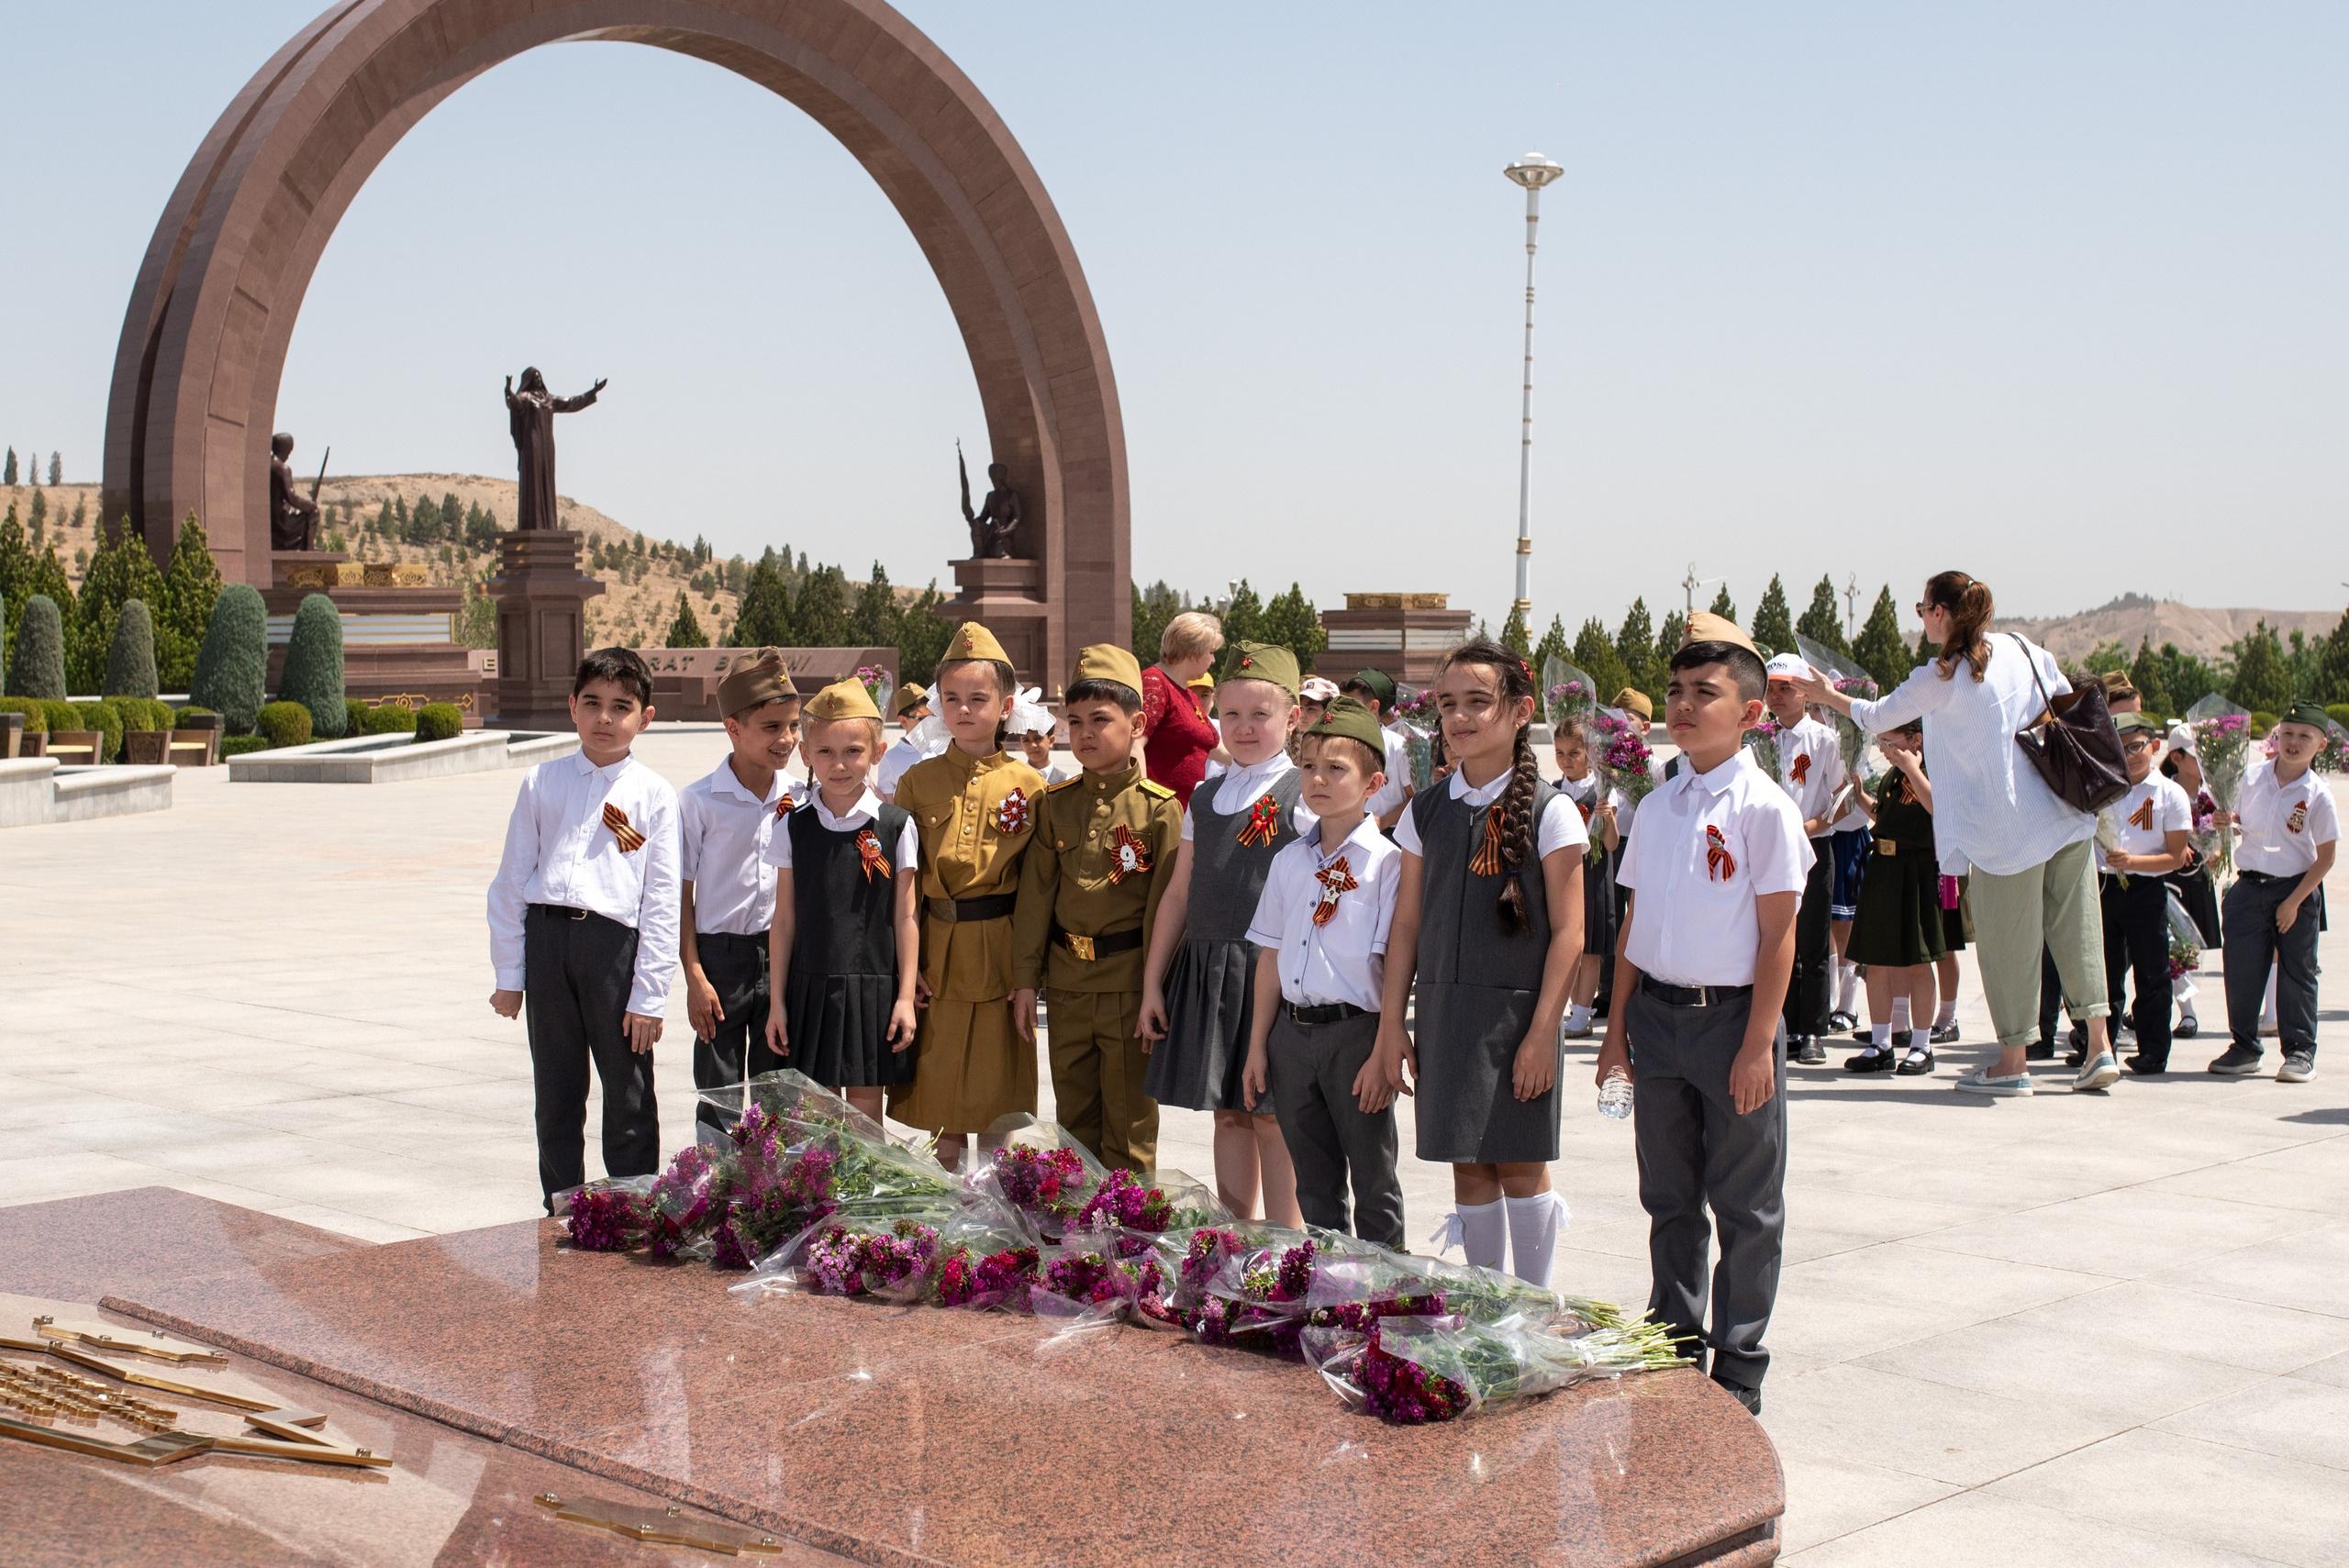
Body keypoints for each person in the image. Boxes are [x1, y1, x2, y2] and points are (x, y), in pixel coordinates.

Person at [1794, 573, 2116, 1097]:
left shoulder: (1940, 675)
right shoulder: (2022, 648)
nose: (1921, 618)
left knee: (2009, 947)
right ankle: (2099, 1048)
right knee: (2078, 934)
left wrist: (1827, 694)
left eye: (1923, 608)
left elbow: (1879, 717)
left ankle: (2013, 1062)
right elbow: (2063, 700)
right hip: (2064, 812)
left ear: (1941, 614)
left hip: (2004, 831)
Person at [1598, 615, 1809, 1415]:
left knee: (1747, 1205)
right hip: (1657, 1019)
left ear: (1752, 712)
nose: (1683, 707)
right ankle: (1675, 1337)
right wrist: (1616, 1028)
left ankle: (1741, 1362)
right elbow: (1634, 925)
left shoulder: (1763, 808)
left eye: (1705, 694)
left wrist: (1759, 1043)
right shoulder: (1659, 806)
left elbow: (1780, 932)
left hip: (1731, 1024)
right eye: (1678, 692)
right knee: (1669, 1196)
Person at [1378, 640, 1586, 1287]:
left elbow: (1571, 934)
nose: (1460, 718)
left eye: (1478, 702)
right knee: (1467, 1162)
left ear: (1521, 711)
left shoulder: (1552, 811)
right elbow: (1406, 923)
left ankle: (1537, 1304)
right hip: (1446, 1011)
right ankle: (1488, 1308)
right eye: (1448, 705)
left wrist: (1541, 1036)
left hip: (1519, 1014)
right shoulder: (1425, 812)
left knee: (1520, 1162)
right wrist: (1393, 1023)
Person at [486, 648, 678, 1210]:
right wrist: (509, 972)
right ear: (572, 707)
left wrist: (649, 996)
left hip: (612, 948)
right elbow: (510, 881)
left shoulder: (653, 795)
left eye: (621, 707)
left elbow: (662, 901)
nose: (604, 719)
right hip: (548, 944)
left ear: (644, 718)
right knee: (557, 1088)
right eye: (591, 703)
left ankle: (634, 1205)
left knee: (628, 1087)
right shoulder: (541, 781)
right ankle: (562, 1206)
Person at [1140, 643, 1309, 1224]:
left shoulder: (1303, 798)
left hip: (1269, 974)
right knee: (1228, 1112)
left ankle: (1289, 1246)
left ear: (1293, 719)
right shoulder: (1207, 795)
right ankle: (1239, 1238)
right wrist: (1153, 983)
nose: (1243, 728)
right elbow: (1180, 893)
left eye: (1260, 715)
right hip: (1210, 968)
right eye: (1230, 714)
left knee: (1270, 1114)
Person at [1014, 644, 1186, 1172]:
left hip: (1129, 986)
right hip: (1067, 986)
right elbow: (1036, 899)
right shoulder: (1055, 804)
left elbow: (1166, 910)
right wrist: (1027, 979)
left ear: (1136, 725)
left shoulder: (1159, 810)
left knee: (1130, 1129)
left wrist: (1156, 989)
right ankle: (1080, 1247)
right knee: (1074, 1126)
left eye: (1101, 720)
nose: (1085, 733)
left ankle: (1132, 1244)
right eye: (1075, 721)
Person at [1241, 696, 1406, 1246]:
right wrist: (1259, 1046)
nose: (1318, 779)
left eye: (1336, 769)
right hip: (1293, 1035)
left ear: (1372, 782)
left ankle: (1388, 1296)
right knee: (1314, 1183)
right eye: (1309, 766)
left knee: (1374, 1178)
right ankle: (1328, 1292)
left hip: (1357, 1034)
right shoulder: (1290, 860)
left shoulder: (1387, 864)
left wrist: (1386, 1046)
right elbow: (1270, 956)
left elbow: (1393, 964)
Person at [887, 625, 1047, 1171]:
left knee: (997, 1090)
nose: (964, 709)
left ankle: (996, 1211)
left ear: (1005, 706)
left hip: (1002, 948)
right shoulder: (918, 781)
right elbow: (902, 886)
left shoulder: (1031, 785)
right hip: (937, 948)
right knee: (942, 1089)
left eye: (979, 699)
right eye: (951, 698)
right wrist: (907, 971)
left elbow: (1037, 886)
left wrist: (1029, 973)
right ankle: (945, 1206)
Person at [675, 658, 801, 1144]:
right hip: (719, 959)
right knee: (719, 1090)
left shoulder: (801, 795)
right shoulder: (700, 801)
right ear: (733, 728)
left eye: (793, 726)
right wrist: (694, 975)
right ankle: (719, 1195)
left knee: (779, 1088)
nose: (787, 738)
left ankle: (774, 1196)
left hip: (780, 954)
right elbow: (680, 896)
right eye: (771, 727)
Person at [2208, 702, 2337, 1083]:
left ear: (2320, 746)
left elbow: (2326, 857)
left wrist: (2294, 902)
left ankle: (2299, 1051)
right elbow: (2238, 823)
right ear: (2276, 735)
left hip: (2295, 889)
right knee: (2242, 970)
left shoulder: (2317, 795)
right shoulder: (2249, 778)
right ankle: (2244, 1046)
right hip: (2249, 886)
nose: (2293, 743)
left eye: (2304, 737)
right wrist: (2225, 821)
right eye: (2288, 733)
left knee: (2297, 972)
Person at [1840, 721, 1946, 1074]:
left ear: (1916, 739)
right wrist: (1859, 795)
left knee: (1917, 960)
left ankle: (1921, 1045)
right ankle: (1881, 1043)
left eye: (1890, 742)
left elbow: (1936, 809)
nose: (1884, 749)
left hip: (1913, 870)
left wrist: (1912, 766)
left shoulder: (1929, 771)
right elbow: (1883, 817)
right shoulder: (1893, 776)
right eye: (1881, 742)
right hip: (1883, 867)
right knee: (1878, 960)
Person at [1762, 653, 1847, 1065]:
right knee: (1778, 940)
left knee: (1813, 942)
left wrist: (1811, 826)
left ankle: (1813, 1030)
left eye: (1785, 688)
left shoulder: (1825, 739)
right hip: (1772, 851)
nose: (1777, 697)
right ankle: (1782, 1024)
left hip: (1814, 847)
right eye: (1771, 689)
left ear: (1804, 691)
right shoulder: (1761, 739)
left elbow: (1843, 798)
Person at [2099, 713, 2193, 1074]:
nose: (2130, 755)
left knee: (2152, 973)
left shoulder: (2170, 794)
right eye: (2121, 749)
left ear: (2154, 747)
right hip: (2105, 886)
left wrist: (2132, 860)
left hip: (2145, 888)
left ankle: (2153, 1050)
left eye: (2136, 746)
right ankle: (2099, 1045)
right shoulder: (2106, 787)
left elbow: (2174, 856)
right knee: (2105, 972)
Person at [1553, 715, 1624, 1040]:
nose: (1566, 760)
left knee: (1590, 947)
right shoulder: (1553, 791)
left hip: (1593, 875)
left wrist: (1608, 819)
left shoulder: (1602, 792)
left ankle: (1583, 1012)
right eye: (1560, 753)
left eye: (1574, 753)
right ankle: (1574, 1009)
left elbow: (1610, 845)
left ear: (1591, 753)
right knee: (1566, 941)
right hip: (1563, 875)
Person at [2161, 725, 2222, 1037]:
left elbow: (2222, 835)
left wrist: (2217, 847)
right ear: (2176, 757)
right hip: (2168, 879)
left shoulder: (2211, 796)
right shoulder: (2162, 792)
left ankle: (2160, 1006)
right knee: (2174, 947)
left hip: (2198, 879)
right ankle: (2188, 1013)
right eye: (2197, 757)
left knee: (2186, 949)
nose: (2203, 764)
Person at [1140, 611, 1224, 806]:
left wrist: (1262, 759)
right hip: (1159, 815)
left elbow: (1214, 748)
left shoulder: (1189, 695)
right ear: (1193, 650)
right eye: (1211, 652)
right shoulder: (1155, 682)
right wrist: (1143, 804)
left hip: (1185, 814)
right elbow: (1134, 746)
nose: (1213, 660)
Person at [1340, 668, 1417, 831]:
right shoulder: (1339, 744)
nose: (1345, 711)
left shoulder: (1397, 746)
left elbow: (1415, 797)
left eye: (1352, 705)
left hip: (1390, 833)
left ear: (1374, 707)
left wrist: (1383, 821)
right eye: (1342, 704)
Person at [875, 682, 943, 801]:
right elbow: (888, 804)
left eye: (932, 716)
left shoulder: (942, 749)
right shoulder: (891, 759)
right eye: (921, 718)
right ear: (903, 722)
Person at [1008, 685, 1074, 786]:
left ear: (1051, 740)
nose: (1033, 745)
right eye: (1026, 740)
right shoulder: (1013, 781)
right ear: (1020, 744)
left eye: (1038, 738)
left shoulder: (1066, 782)